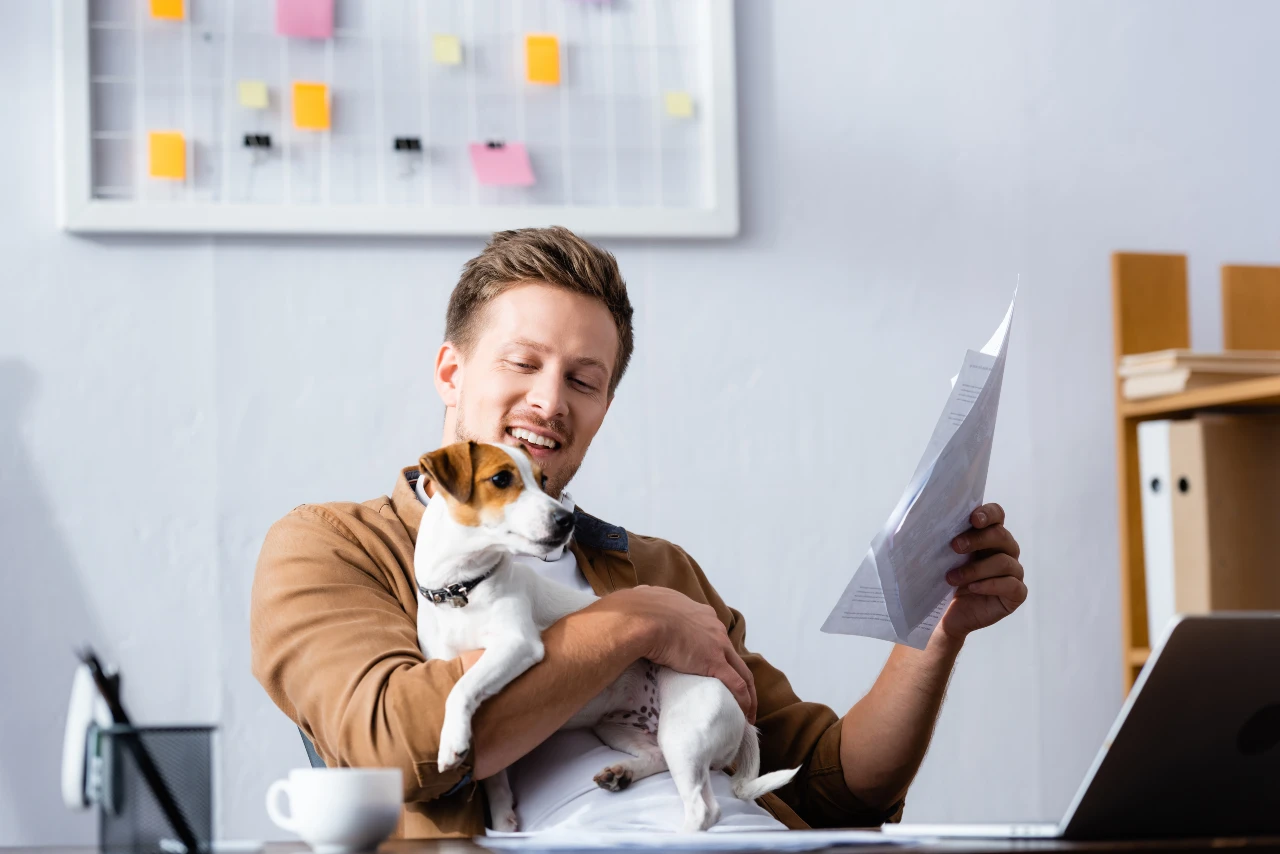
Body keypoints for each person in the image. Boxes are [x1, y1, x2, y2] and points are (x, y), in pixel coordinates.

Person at [250, 227, 1027, 837]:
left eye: (584, 381)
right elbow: (395, 747)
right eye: (523, 363)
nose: (551, 402)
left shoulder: (658, 568)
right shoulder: (328, 548)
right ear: (451, 374)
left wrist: (935, 628)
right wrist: (636, 623)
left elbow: (837, 787)